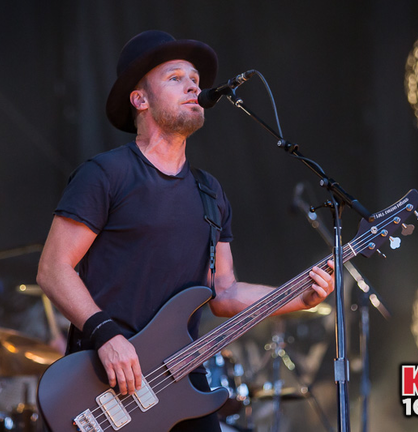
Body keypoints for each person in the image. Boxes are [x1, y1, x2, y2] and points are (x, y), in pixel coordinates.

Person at [36, 30, 335, 432]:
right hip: (104, 379)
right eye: (175, 77)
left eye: (194, 78)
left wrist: (297, 297)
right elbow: (53, 269)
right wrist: (106, 335)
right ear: (140, 99)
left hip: (178, 380)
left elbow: (223, 294)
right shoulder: (105, 174)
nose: (194, 85)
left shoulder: (210, 193)